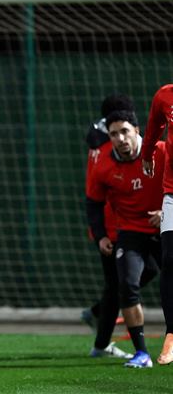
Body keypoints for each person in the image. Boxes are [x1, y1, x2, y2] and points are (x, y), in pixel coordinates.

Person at [87, 110, 165, 368]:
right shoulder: (103, 167)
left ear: (137, 131)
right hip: (131, 232)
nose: (120, 138)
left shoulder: (163, 152)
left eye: (125, 132)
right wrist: (100, 236)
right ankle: (142, 353)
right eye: (114, 134)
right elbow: (93, 204)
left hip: (166, 227)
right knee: (127, 286)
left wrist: (167, 212)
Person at [140, 83, 173, 365]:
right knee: (169, 258)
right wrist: (147, 154)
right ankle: (172, 332)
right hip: (172, 192)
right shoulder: (165, 95)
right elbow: (153, 129)